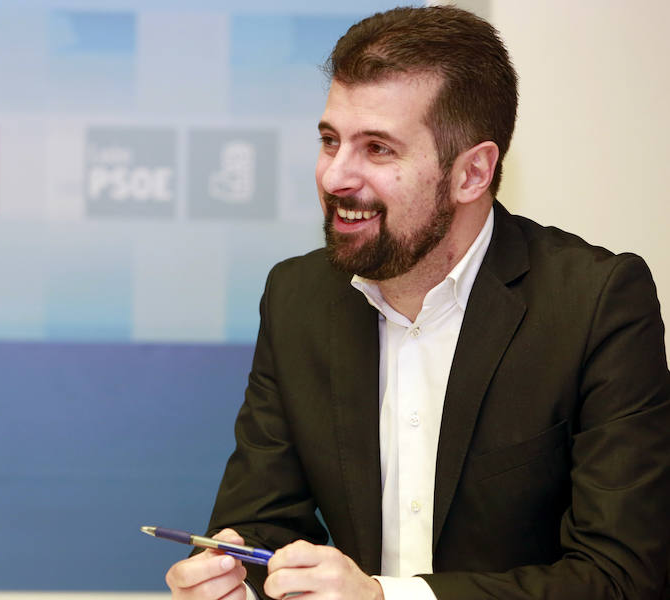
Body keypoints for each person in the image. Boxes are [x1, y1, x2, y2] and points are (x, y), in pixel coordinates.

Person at [164, 6, 670, 600]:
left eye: (378, 149)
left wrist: (387, 598)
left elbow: (623, 577)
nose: (335, 177)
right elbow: (261, 528)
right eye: (331, 141)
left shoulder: (595, 304)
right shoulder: (297, 296)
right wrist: (234, 585)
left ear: (472, 173)